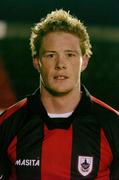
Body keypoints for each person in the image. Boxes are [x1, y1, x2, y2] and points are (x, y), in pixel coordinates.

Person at [0, 9, 119, 180]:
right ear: (36, 61)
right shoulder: (8, 124)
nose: (60, 64)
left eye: (70, 55)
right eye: (50, 55)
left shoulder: (113, 126)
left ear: (84, 61)